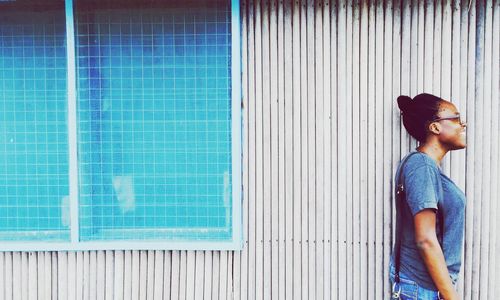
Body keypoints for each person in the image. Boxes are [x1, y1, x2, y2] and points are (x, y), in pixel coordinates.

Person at [390, 93, 467, 300]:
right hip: (420, 290)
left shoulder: (429, 168)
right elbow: (425, 239)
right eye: (456, 118)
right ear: (435, 127)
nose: (463, 124)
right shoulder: (421, 166)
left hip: (427, 289)